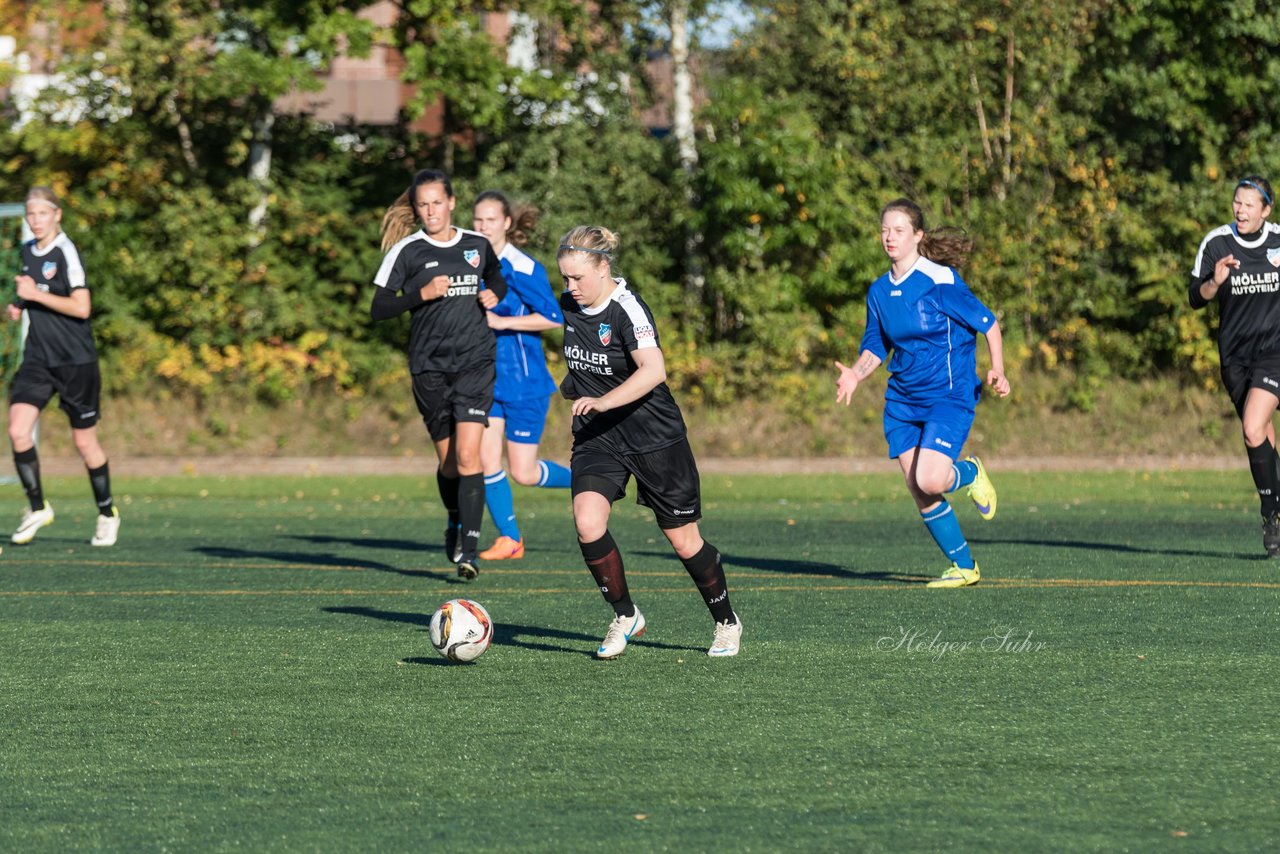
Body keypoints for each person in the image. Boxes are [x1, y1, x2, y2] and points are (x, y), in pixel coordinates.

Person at [556, 225, 742, 658]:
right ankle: (624, 614)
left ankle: (726, 622)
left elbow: (653, 370)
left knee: (683, 540)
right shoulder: (569, 304)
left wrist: (602, 401)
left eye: (578, 278)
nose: (571, 288)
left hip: (653, 436)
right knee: (587, 522)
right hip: (599, 438)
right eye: (565, 279)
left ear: (603, 268)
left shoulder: (628, 310)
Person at [835, 198, 1010, 588]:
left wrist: (996, 368)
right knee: (918, 488)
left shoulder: (940, 281)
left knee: (931, 479)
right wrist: (855, 375)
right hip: (902, 403)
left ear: (918, 236)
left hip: (948, 395)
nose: (889, 237)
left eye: (898, 230)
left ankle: (972, 471)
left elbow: (989, 323)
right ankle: (964, 567)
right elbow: (876, 346)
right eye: (884, 230)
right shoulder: (879, 292)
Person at [372, 169, 508, 580]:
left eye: (437, 202)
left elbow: (496, 277)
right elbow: (379, 308)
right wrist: (420, 295)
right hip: (429, 367)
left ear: (451, 203)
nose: (431, 211)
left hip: (475, 362)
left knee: (470, 456)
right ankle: (454, 518)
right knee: (449, 464)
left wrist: (494, 293)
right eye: (423, 204)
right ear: (416, 208)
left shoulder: (476, 244)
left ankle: (469, 550)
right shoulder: (407, 251)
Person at [5, 186, 120, 547]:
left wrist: (34, 296)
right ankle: (38, 507)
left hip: (75, 361)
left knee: (85, 443)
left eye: (42, 213)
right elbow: (31, 289)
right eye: (30, 214)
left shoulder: (67, 252)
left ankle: (106, 513)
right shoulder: (27, 251)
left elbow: (81, 308)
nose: (35, 220)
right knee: (18, 431)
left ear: (57, 214)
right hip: (38, 358)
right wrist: (19, 306)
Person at [470, 191, 571, 561]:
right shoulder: (470, 263)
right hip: (484, 382)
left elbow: (555, 317)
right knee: (485, 460)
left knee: (524, 473)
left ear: (507, 223)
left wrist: (503, 321)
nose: (482, 227)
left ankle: (592, 481)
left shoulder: (524, 268)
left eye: (490, 220)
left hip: (524, 382)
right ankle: (510, 539)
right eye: (477, 220)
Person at [1188, 175, 1280, 557]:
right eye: (1236, 202)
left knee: (1252, 425)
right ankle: (1274, 515)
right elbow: (1196, 297)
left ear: (1265, 210)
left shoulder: (1278, 242)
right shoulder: (1217, 243)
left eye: (1248, 204)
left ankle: (1268, 512)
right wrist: (1215, 281)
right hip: (1236, 358)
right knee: (1260, 436)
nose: (1240, 210)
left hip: (1274, 350)